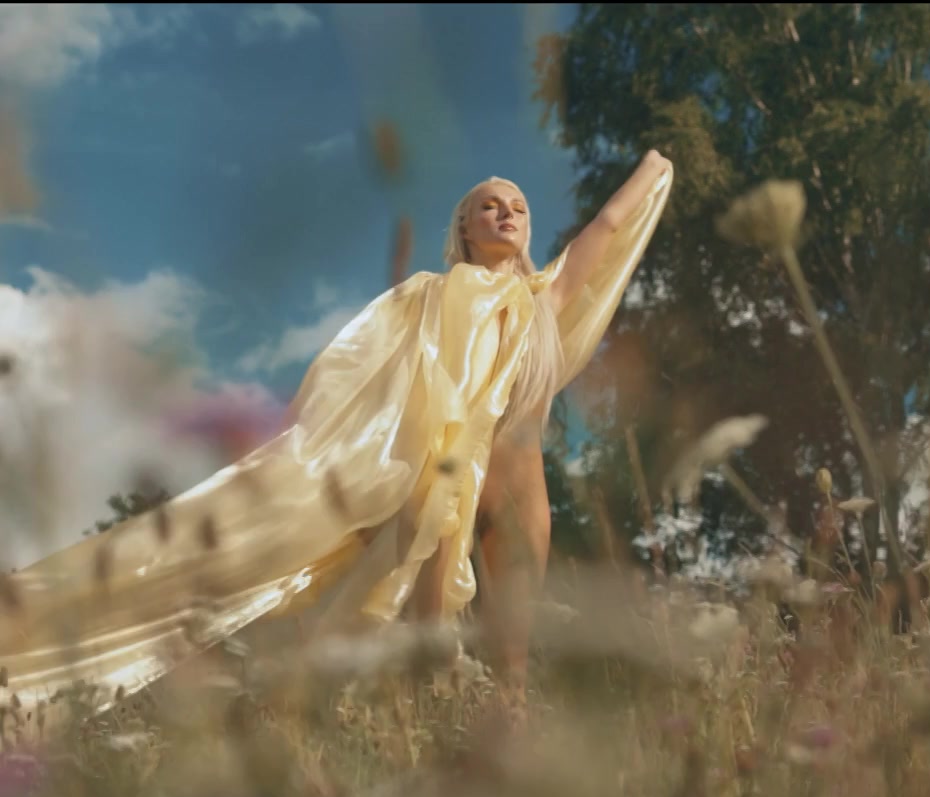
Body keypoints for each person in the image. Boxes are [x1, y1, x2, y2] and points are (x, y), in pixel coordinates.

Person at [0, 149, 674, 725]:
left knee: (514, 661)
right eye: (489, 206)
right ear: (464, 228)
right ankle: (423, 742)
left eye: (518, 207)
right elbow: (365, 375)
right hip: (440, 480)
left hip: (520, 487)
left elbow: (609, 224)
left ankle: (507, 750)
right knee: (428, 648)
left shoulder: (545, 300)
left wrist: (657, 162)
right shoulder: (428, 294)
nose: (506, 213)